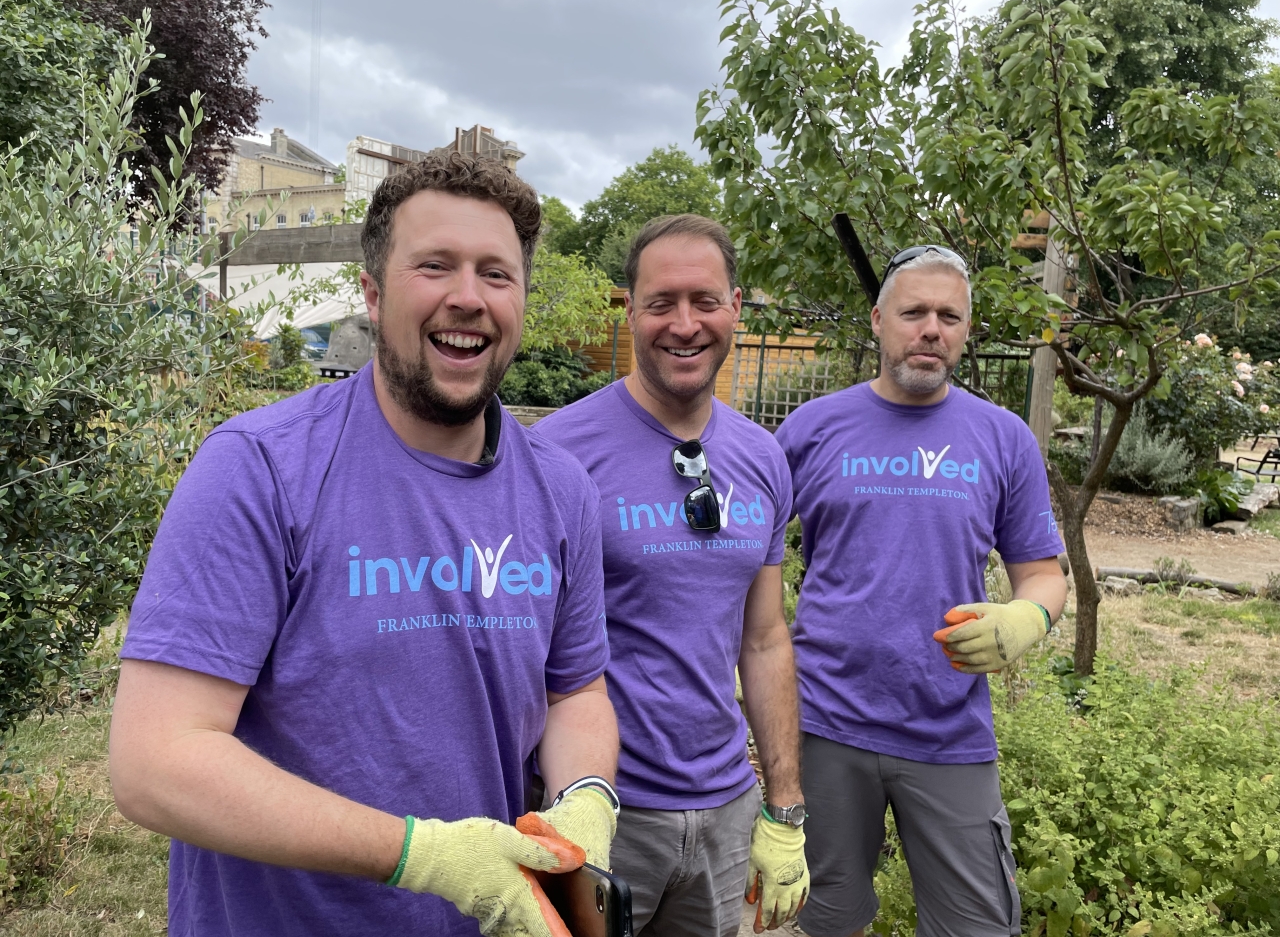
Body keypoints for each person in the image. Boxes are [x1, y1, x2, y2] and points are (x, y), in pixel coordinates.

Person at [109, 153, 621, 937]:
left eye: (496, 274)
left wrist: (586, 797)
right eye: (435, 266)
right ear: (374, 294)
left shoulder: (562, 489)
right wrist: (419, 856)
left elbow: (575, 693)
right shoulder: (261, 471)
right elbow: (156, 764)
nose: (468, 297)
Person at [773, 245, 1068, 937]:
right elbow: (738, 557)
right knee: (824, 915)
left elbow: (1044, 573)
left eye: (949, 316)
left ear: (965, 330)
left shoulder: (1003, 438)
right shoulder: (811, 430)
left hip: (949, 727)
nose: (931, 329)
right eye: (914, 313)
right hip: (823, 722)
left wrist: (1029, 614)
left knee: (978, 925)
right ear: (878, 320)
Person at [533, 214, 809, 937]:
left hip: (727, 812)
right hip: (599, 816)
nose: (684, 324)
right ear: (629, 310)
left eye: (705, 300)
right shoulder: (556, 454)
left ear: (737, 307)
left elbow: (766, 638)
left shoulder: (762, 457)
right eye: (661, 303)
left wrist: (784, 808)